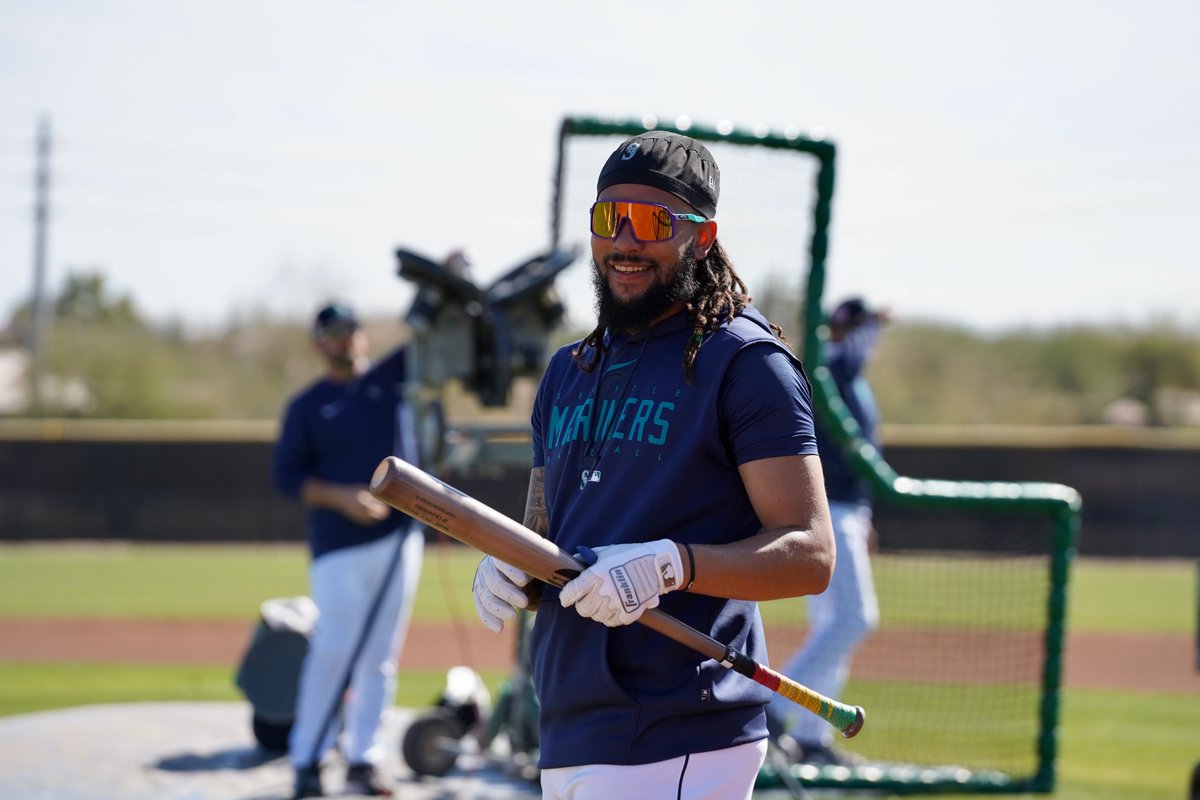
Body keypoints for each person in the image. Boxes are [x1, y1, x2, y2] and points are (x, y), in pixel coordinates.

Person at [472, 131, 836, 799]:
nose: (625, 242)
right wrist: (518, 567)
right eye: (610, 219)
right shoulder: (568, 371)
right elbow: (546, 532)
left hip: (682, 725)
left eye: (652, 222)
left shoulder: (746, 363)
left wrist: (672, 564)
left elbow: (810, 553)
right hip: (571, 721)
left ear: (702, 237)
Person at [272, 302, 424, 798]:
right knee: (332, 650)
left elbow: (429, 331)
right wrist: (344, 497)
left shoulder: (387, 382)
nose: (345, 339)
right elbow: (287, 477)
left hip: (398, 538)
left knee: (381, 656)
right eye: (333, 332)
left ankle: (364, 758)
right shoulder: (307, 405)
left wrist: (442, 280)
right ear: (319, 342)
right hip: (337, 543)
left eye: (351, 329)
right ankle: (308, 758)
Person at [765, 295, 888, 765]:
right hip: (830, 510)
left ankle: (814, 739)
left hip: (846, 508)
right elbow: (853, 348)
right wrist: (873, 321)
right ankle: (777, 709)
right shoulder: (834, 367)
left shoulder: (847, 374)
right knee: (855, 620)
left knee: (831, 625)